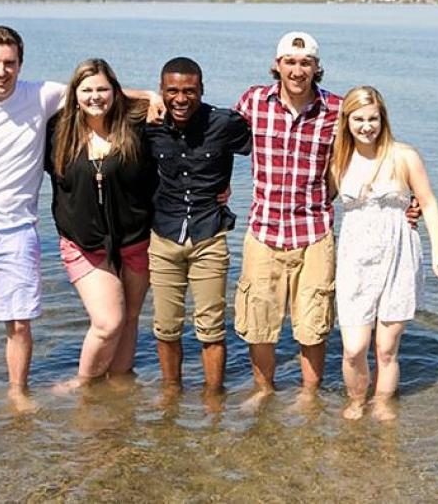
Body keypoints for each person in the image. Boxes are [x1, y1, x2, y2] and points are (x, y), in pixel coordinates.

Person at [0, 26, 161, 412]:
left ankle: (18, 393)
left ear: (21, 64)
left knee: (20, 322)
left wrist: (151, 95)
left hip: (19, 227)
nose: (1, 71)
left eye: (9, 63)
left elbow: (100, 92)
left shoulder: (42, 95)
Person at [233, 31, 342, 410]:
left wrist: (409, 202)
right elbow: (216, 139)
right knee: (259, 321)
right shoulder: (253, 102)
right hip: (264, 230)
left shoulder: (337, 110)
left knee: (313, 323)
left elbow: (367, 153)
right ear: (278, 65)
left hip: (314, 231)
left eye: (306, 63)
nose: (298, 71)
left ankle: (308, 396)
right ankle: (264, 391)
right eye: (291, 63)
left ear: (316, 68)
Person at [329, 85, 438, 420]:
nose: (366, 126)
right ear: (347, 120)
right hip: (355, 257)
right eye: (358, 119)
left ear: (383, 118)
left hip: (399, 254)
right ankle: (356, 400)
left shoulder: (403, 156)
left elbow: (428, 203)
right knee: (354, 348)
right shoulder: (338, 157)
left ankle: (382, 404)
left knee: (386, 348)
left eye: (373, 118)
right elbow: (317, 199)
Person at [45, 59, 157, 394]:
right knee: (108, 323)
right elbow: (12, 155)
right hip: (84, 243)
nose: (96, 97)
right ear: (74, 95)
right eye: (87, 90)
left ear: (115, 91)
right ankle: (85, 385)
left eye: (103, 89)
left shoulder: (135, 125)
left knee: (131, 318)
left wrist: (218, 187)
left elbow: (177, 147)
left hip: (136, 237)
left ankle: (119, 391)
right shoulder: (57, 131)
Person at [145, 57, 251, 402]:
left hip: (209, 235)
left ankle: (213, 399)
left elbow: (272, 147)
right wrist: (146, 97)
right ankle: (171, 394)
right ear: (162, 91)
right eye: (172, 91)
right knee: (166, 326)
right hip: (163, 234)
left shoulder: (224, 123)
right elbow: (100, 95)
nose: (180, 98)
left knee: (211, 327)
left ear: (201, 90)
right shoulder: (149, 124)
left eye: (189, 91)